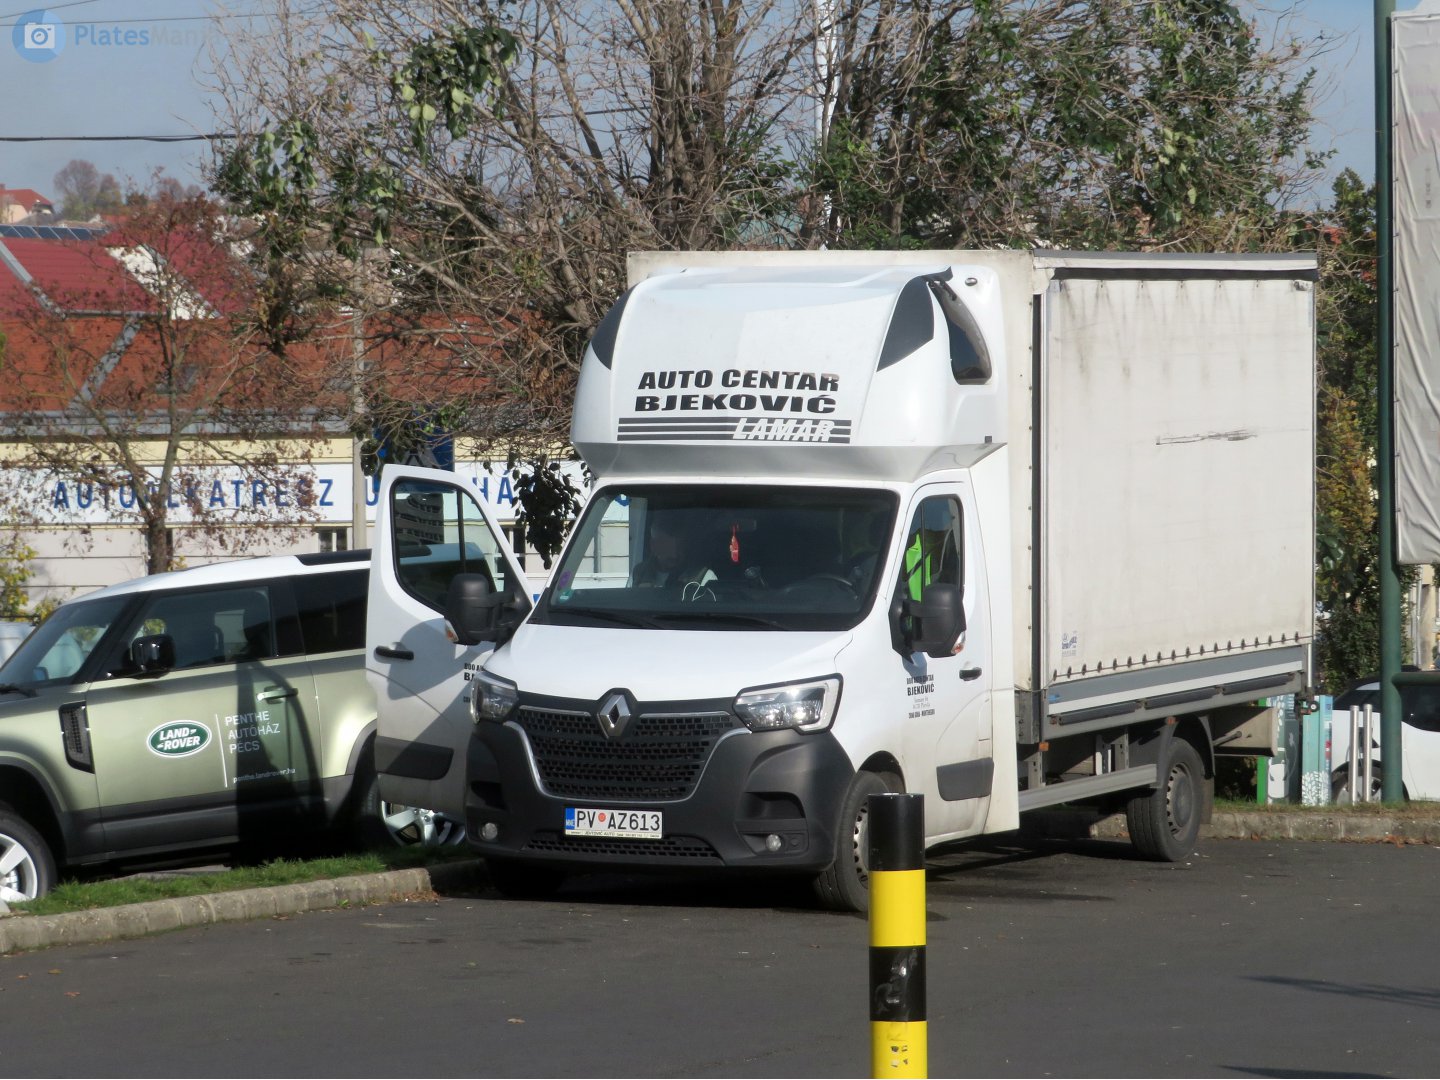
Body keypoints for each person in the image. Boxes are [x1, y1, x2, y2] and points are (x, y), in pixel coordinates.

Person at [632, 514, 717, 595]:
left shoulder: (704, 577)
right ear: (653, 546)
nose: (675, 555)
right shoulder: (639, 573)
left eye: (679, 547)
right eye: (668, 547)